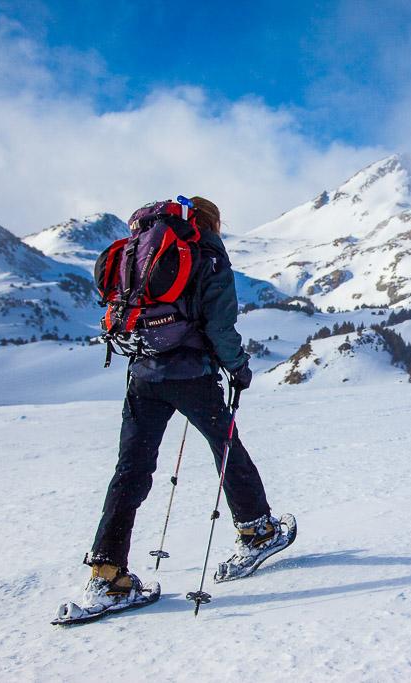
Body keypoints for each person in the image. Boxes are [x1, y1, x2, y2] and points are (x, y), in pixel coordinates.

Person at [81, 196, 280, 605]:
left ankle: (107, 574)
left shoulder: (145, 253)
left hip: (143, 375)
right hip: (192, 376)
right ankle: (257, 529)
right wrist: (238, 368)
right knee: (226, 448)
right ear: (213, 223)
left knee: (130, 469)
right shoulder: (207, 256)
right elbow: (221, 325)